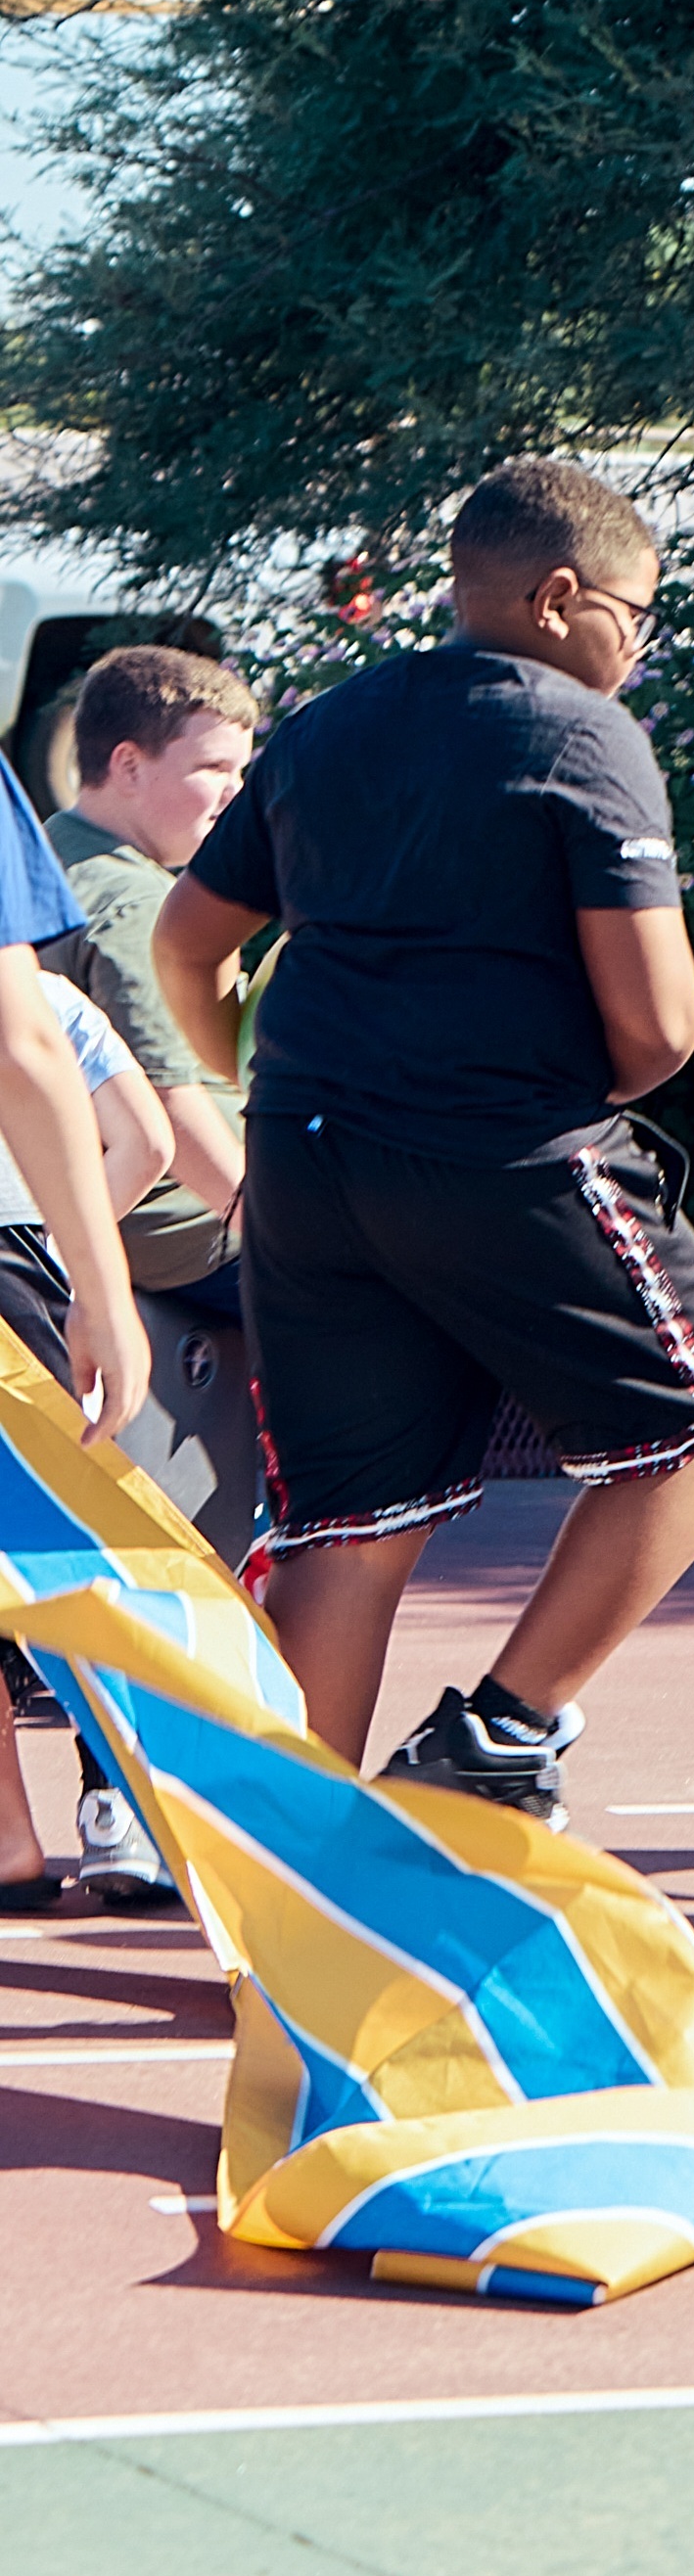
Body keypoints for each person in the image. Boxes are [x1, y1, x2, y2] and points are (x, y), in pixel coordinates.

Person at [152, 458, 694, 1822]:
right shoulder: (580, 731)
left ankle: (289, 1883)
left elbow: (185, 942)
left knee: (348, 1526)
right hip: (498, 1140)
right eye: (635, 612)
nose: (640, 644)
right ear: (558, 598)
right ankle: (502, 1728)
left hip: (306, 1158)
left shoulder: (326, 724)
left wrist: (254, 1075)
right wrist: (527, 1082)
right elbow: (663, 1026)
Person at [0, 787, 154, 1913]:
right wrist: (92, 1275)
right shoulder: (52, 999)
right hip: (19, 1269)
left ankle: (8, 1836)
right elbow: (139, 1134)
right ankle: (126, 1813)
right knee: (76, 1558)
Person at [46, 646, 258, 1319]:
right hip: (187, 1228)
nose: (236, 791)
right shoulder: (134, 904)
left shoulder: (52, 855)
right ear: (128, 766)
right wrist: (272, 1232)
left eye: (241, 770)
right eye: (213, 768)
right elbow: (168, 1105)